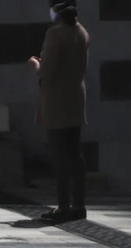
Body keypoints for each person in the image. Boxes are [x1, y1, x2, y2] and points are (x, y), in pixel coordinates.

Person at [30, 2, 88, 224]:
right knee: (75, 151)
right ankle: (79, 204)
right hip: (75, 96)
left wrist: (35, 65)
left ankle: (63, 206)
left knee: (60, 152)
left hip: (57, 99)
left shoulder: (55, 34)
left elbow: (46, 72)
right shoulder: (82, 31)